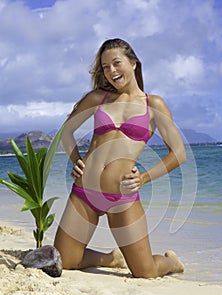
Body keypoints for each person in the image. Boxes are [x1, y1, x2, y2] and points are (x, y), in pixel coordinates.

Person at [54, 38, 186, 278]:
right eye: (105, 67)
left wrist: (144, 178)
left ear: (133, 63)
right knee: (65, 261)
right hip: (84, 192)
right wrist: (76, 160)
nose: (111, 71)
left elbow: (178, 153)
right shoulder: (98, 98)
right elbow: (66, 131)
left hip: (122, 197)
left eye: (116, 63)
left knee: (145, 272)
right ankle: (111, 258)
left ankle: (171, 263)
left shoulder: (153, 105)